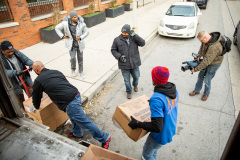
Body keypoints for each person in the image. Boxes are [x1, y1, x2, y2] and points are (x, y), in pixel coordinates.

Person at [31, 61, 111, 149]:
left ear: (37, 70)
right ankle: (77, 133)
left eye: (34, 70)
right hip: (76, 95)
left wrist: (36, 106)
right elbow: (64, 84)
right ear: (43, 66)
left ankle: (104, 138)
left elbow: (36, 97)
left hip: (70, 102)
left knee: (84, 122)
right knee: (73, 116)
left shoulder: (38, 80)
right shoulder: (56, 72)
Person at [128, 66, 179, 160]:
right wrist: (155, 104)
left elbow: (157, 127)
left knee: (146, 155)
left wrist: (138, 123)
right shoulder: (173, 89)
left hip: (160, 136)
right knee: (154, 151)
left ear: (154, 79)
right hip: (170, 129)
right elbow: (167, 105)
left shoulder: (157, 99)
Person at [111, 24, 145, 99]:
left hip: (134, 63)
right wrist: (119, 56)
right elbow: (113, 50)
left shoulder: (134, 38)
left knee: (136, 76)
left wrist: (135, 35)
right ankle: (129, 91)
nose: (123, 34)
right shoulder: (117, 40)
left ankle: (135, 85)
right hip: (124, 64)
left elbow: (143, 43)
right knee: (126, 80)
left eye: (125, 33)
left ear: (129, 32)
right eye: (122, 32)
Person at [189, 31, 223, 101]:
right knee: (200, 76)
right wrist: (199, 55)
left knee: (207, 79)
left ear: (205, 37)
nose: (202, 42)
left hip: (214, 64)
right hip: (207, 60)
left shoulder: (214, 46)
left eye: (201, 40)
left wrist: (195, 69)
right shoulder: (206, 40)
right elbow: (202, 48)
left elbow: (206, 61)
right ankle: (197, 90)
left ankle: (206, 93)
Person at [0, 41, 33, 112]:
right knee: (19, 99)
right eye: (8, 52)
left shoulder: (16, 53)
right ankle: (24, 112)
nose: (11, 53)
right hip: (14, 82)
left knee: (32, 93)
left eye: (11, 51)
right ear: (2, 51)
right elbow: (3, 72)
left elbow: (26, 59)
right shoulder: (1, 59)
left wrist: (31, 64)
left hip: (24, 78)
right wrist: (15, 72)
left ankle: (35, 109)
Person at [55, 11, 89, 78]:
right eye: (74, 17)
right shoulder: (65, 24)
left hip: (80, 45)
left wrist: (81, 37)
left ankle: (81, 72)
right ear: (71, 18)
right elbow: (57, 28)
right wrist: (62, 36)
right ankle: (73, 70)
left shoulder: (81, 23)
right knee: (72, 58)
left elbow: (87, 32)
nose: (76, 18)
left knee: (80, 59)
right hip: (71, 45)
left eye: (76, 17)